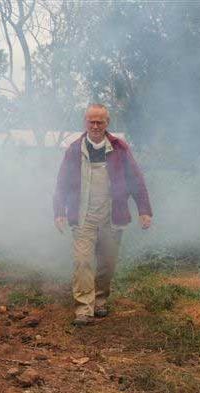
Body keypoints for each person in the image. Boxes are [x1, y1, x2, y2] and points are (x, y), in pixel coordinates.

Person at [53, 104, 152, 326]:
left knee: (107, 264)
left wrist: (144, 210)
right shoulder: (74, 150)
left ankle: (99, 301)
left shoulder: (119, 148)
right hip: (83, 217)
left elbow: (136, 180)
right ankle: (83, 309)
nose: (96, 126)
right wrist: (59, 211)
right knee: (83, 262)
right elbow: (62, 182)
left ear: (107, 123)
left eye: (100, 122)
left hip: (111, 217)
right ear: (85, 123)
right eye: (92, 122)